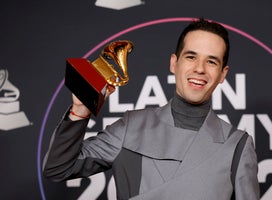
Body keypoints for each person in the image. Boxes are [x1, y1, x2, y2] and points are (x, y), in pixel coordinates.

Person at [43, 18, 260, 200]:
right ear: (174, 63)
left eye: (211, 61)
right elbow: (58, 168)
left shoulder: (237, 146)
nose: (199, 69)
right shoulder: (131, 127)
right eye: (191, 57)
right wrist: (80, 109)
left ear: (223, 74)